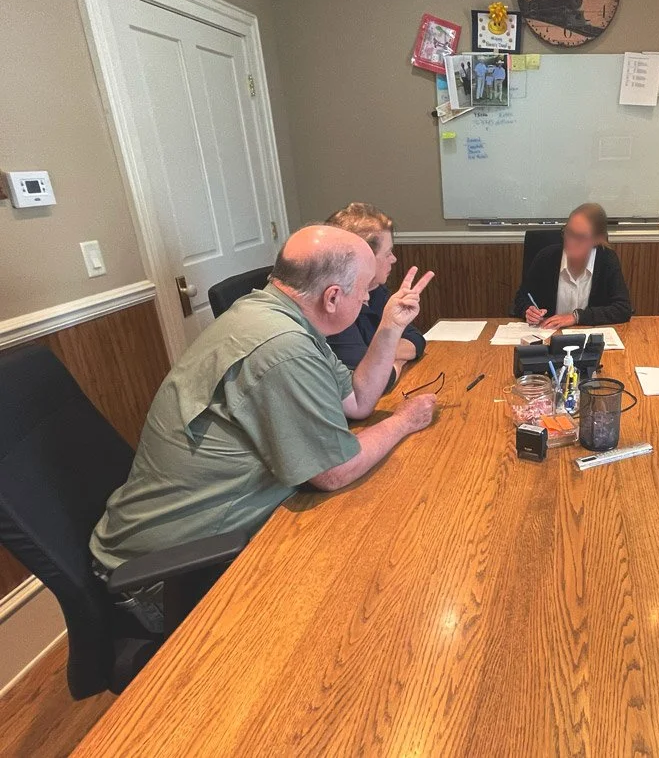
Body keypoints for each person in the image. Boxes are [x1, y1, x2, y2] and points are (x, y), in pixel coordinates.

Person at [90, 225, 437, 631]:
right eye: (364, 290)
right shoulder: (282, 345)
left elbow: (358, 402)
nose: (368, 297)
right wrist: (403, 422)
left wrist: (390, 326)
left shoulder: (280, 312)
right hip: (168, 578)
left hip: (197, 538)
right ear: (333, 297)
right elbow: (333, 472)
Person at [325, 202, 425, 388]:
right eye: (387, 253)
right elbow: (374, 382)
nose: (394, 259)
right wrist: (393, 360)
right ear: (363, 258)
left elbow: (416, 340)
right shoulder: (335, 304)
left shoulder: (375, 289)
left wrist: (379, 357)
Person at [513, 202, 633, 329]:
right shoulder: (546, 258)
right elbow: (522, 297)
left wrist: (576, 317)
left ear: (596, 239)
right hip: (548, 335)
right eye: (568, 232)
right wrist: (528, 310)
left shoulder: (606, 260)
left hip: (588, 337)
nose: (571, 241)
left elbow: (622, 309)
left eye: (580, 237)